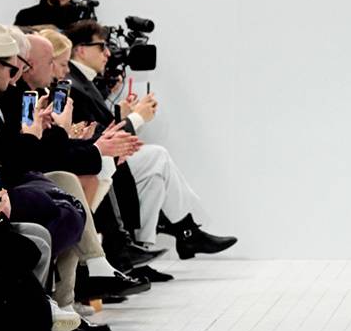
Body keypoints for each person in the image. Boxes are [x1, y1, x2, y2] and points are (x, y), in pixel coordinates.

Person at [64, 22, 236, 259]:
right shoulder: (74, 83)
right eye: (102, 46)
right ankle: (187, 231)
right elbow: (93, 133)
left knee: (154, 177)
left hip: (101, 157)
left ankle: (144, 250)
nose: (108, 53)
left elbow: (98, 127)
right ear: (81, 50)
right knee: (158, 157)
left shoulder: (83, 81)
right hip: (93, 159)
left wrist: (124, 116)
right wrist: (136, 118)